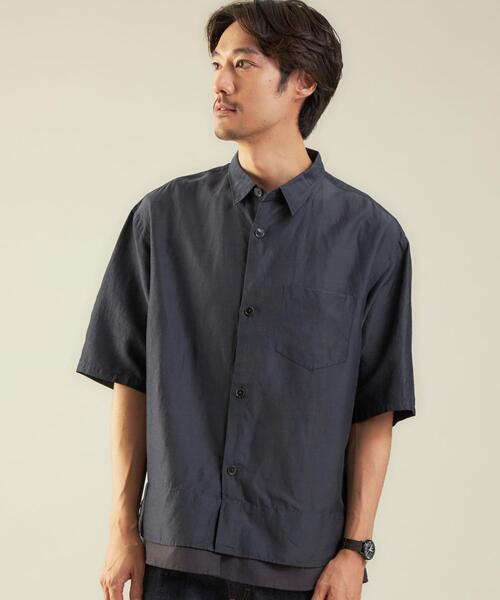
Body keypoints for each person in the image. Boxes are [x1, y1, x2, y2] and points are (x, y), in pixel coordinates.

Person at [75, 1, 416, 599]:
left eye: (243, 63)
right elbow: (131, 380)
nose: (221, 83)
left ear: (302, 82)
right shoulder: (162, 219)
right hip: (175, 558)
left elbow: (375, 408)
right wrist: (122, 527)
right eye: (217, 64)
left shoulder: (371, 238)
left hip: (301, 568)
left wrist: (354, 550)